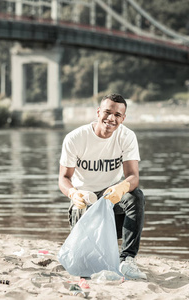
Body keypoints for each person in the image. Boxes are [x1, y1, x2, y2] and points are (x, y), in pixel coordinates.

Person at [58, 93, 146, 280]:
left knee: (135, 196)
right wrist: (73, 193)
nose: (111, 118)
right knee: (83, 262)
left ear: (123, 118)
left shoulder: (127, 136)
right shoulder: (75, 138)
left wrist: (121, 188)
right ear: (98, 112)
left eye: (117, 115)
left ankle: (127, 260)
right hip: (85, 202)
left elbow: (133, 176)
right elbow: (64, 178)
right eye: (107, 112)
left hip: (110, 200)